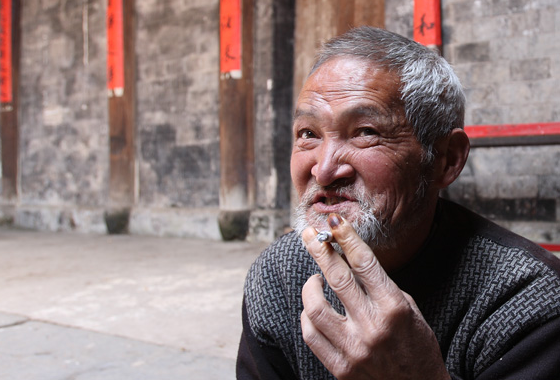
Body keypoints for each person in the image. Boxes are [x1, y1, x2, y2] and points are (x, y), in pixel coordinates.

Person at [237, 26, 560, 380]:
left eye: (365, 132)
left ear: (447, 160)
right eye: (308, 134)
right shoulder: (278, 275)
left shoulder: (529, 301)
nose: (324, 170)